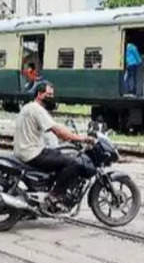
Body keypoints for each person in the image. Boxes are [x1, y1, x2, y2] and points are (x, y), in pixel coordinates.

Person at [13, 82, 95, 212]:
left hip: (24, 150)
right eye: (49, 94)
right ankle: (55, 195)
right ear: (39, 94)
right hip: (32, 153)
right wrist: (81, 138)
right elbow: (58, 131)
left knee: (59, 155)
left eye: (52, 95)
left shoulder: (29, 107)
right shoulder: (37, 109)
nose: (51, 97)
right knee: (72, 163)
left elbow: (55, 127)